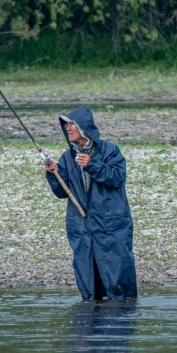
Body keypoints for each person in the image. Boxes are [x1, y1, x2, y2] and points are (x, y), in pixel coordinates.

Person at [44, 106, 137, 301]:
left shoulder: (110, 150)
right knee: (88, 284)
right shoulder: (67, 157)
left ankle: (122, 321)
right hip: (82, 226)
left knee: (117, 279)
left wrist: (92, 164)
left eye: (71, 125)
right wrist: (54, 174)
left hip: (111, 225)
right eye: (66, 125)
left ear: (83, 127)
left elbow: (117, 179)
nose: (67, 129)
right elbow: (62, 193)